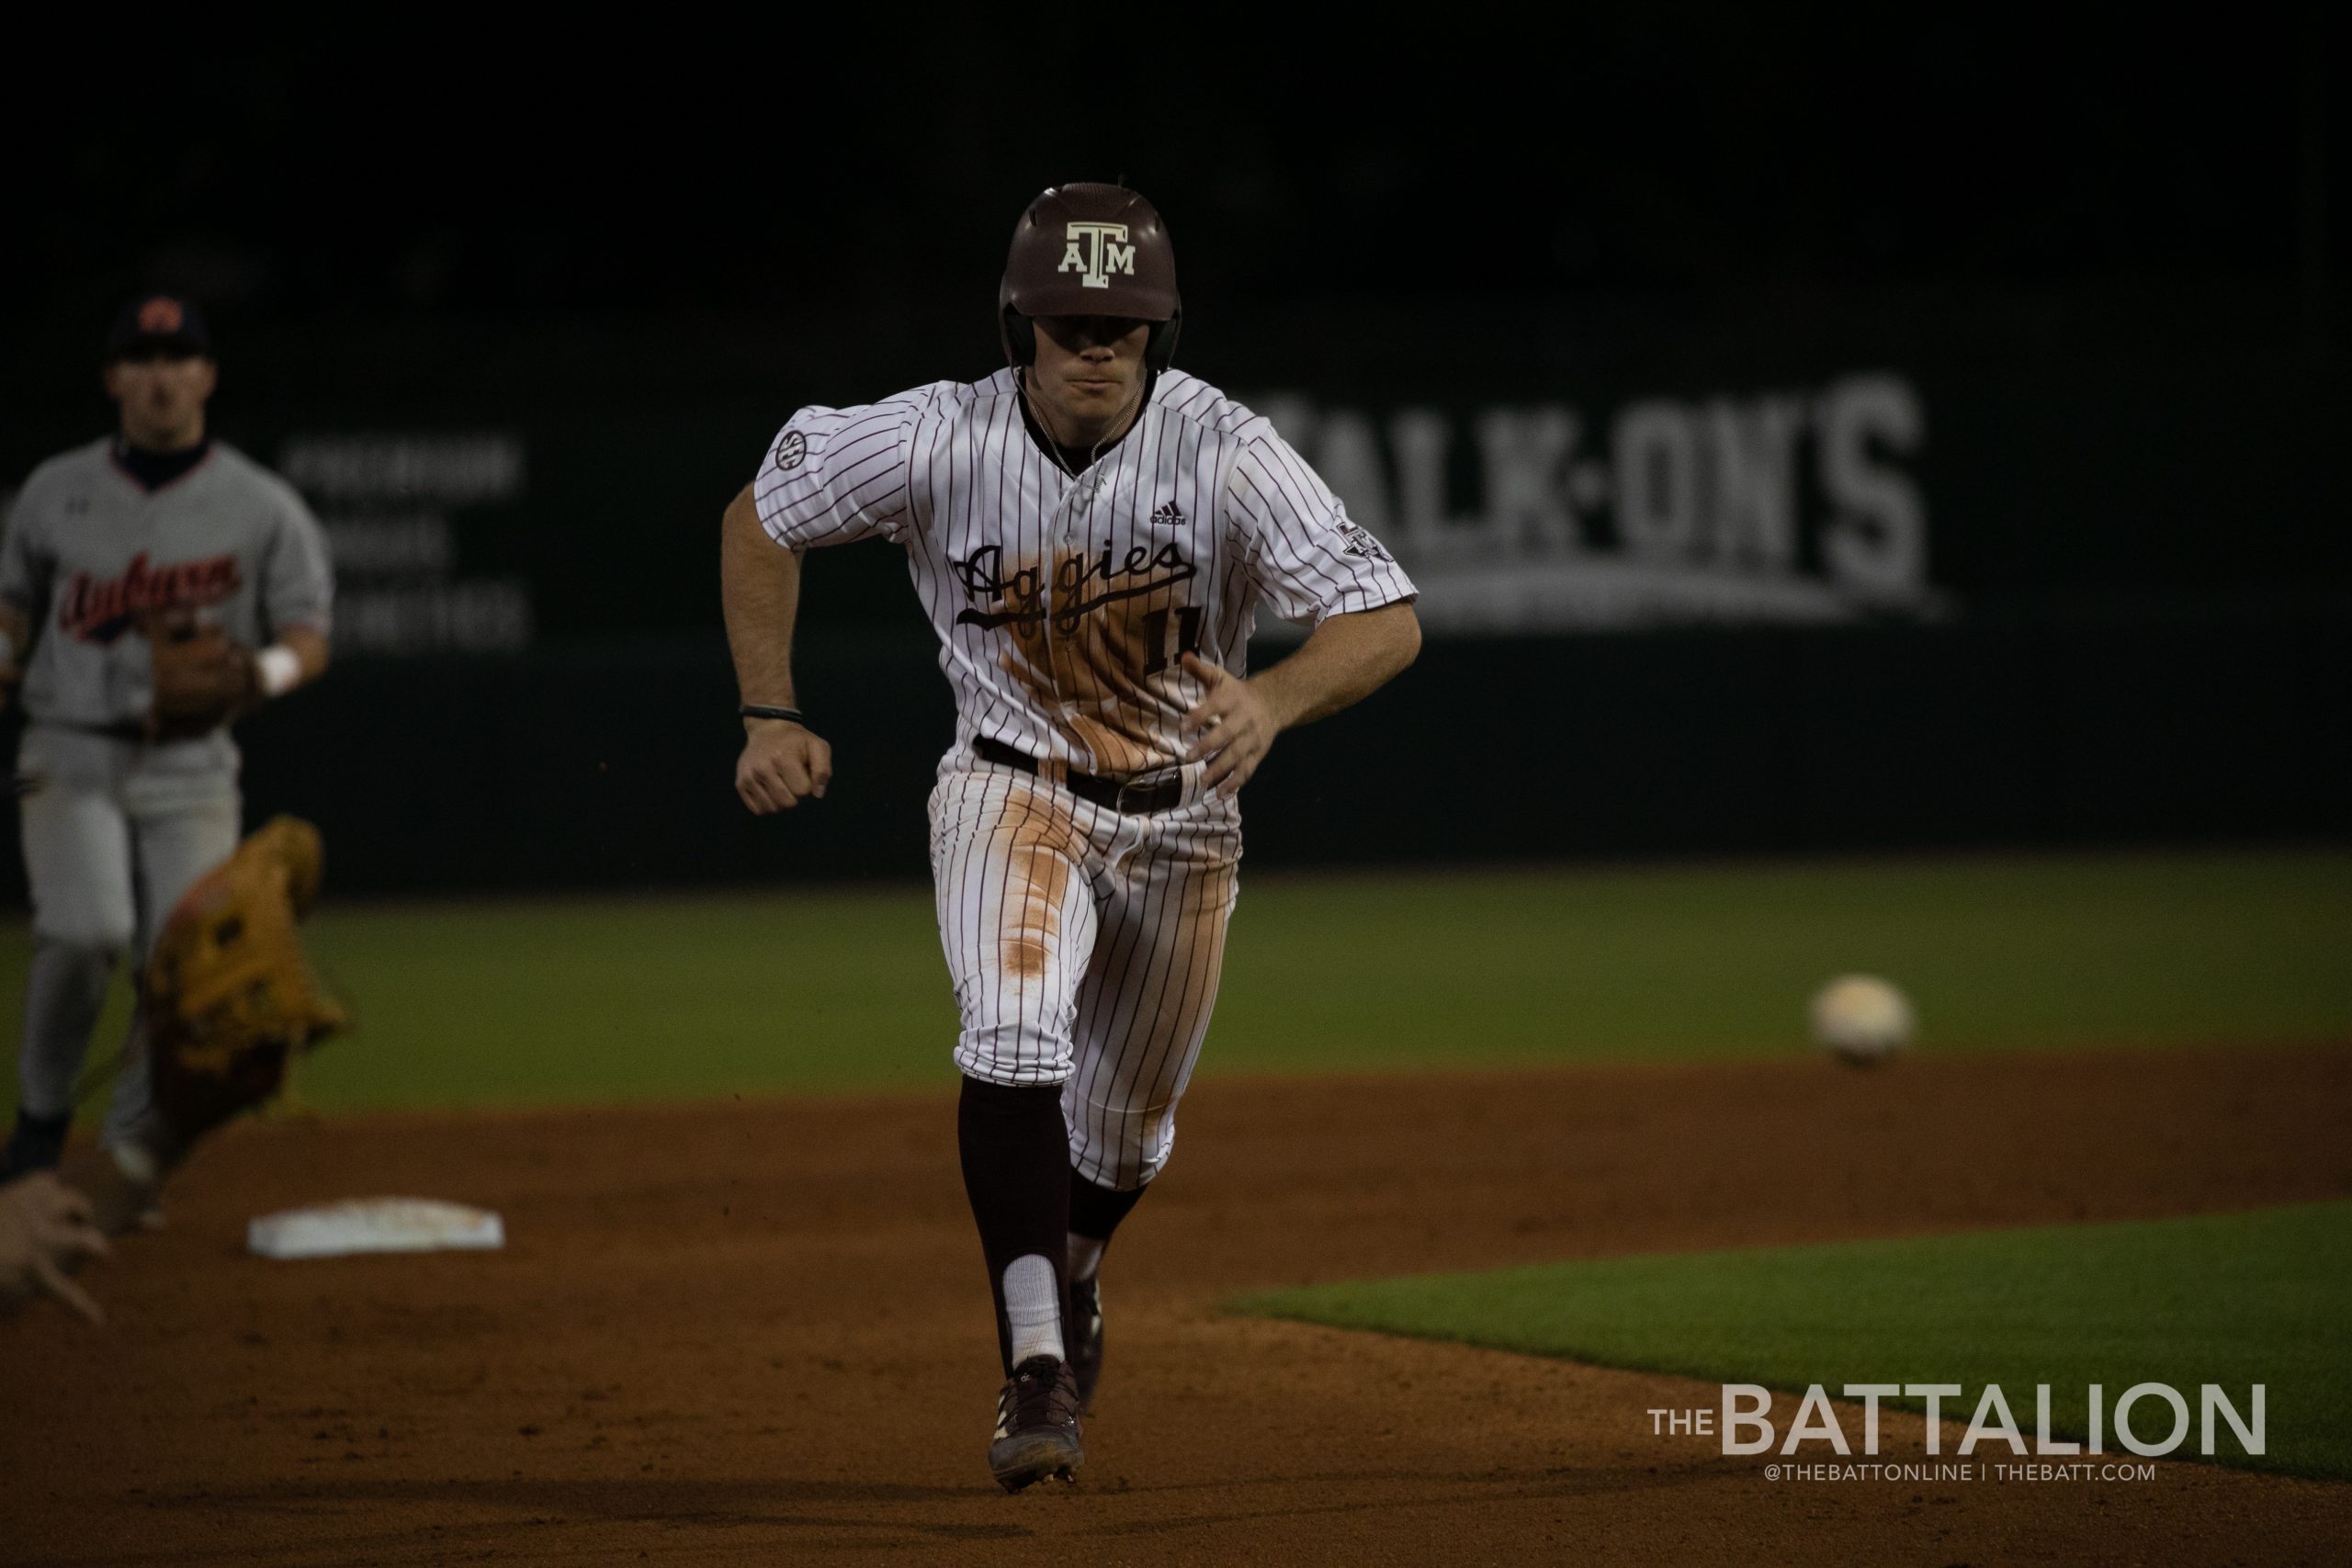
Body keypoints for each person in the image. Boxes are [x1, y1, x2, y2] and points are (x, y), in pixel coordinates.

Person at [720, 184, 1421, 1492]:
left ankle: (1080, 1277)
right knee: (1013, 1029)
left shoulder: (1225, 446)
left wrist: (1273, 694)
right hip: (1009, 787)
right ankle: (1036, 1359)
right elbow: (763, 510)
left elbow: (1386, 614)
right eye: (1070, 321)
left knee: (1129, 1132)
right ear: (1017, 323)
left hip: (1186, 816)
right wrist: (770, 708)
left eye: (1123, 323)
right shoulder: (937, 434)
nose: (1097, 347)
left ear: (1160, 328)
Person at [0, 294, 334, 1182]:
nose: (161, 376)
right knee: (84, 931)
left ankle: (134, 1156)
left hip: (194, 762)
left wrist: (259, 675)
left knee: (180, 966)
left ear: (207, 377)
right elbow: (12, 606)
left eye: (179, 358)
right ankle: (38, 1125)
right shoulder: (53, 489)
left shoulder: (260, 503)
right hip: (69, 748)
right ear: (114, 379)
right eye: (142, 359)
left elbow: (308, 635)